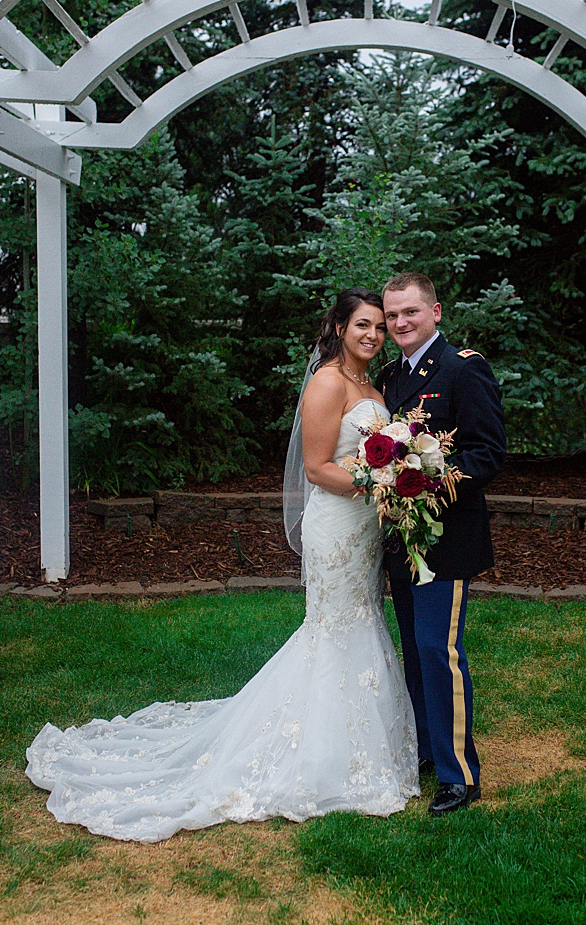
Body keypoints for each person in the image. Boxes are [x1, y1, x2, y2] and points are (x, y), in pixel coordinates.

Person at [25, 289, 419, 842]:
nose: (374, 334)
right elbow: (315, 468)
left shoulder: (371, 386)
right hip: (336, 526)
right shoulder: (329, 382)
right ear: (338, 326)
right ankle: (323, 755)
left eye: (380, 326)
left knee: (361, 621)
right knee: (332, 629)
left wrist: (393, 476)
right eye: (363, 324)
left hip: (364, 531)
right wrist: (378, 478)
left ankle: (359, 746)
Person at [377, 271, 505, 815]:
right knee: (414, 650)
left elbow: (487, 452)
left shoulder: (462, 369)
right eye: (392, 316)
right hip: (401, 537)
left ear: (436, 313)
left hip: (446, 537)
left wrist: (431, 478)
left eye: (411, 312)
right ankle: (427, 750)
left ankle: (460, 775)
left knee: (438, 650)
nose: (401, 322)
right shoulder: (388, 376)